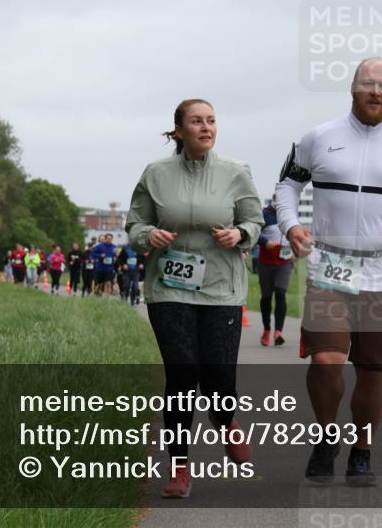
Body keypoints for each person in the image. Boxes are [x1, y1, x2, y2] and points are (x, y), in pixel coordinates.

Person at [275, 57, 382, 486]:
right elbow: (287, 186)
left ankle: (362, 450)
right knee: (326, 361)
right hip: (331, 264)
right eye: (368, 83)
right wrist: (291, 225)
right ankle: (326, 437)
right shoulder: (318, 137)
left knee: (373, 369)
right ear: (352, 88)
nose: (375, 92)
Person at [126, 98, 264, 500]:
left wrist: (239, 234)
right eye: (197, 121)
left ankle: (226, 420)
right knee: (183, 374)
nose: (206, 127)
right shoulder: (155, 174)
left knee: (218, 377)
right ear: (179, 130)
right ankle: (179, 468)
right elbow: (135, 224)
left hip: (221, 287)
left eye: (212, 121)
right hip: (169, 287)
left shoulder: (236, 172)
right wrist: (148, 235)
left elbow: (254, 220)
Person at [256, 196, 295, 346]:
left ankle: (278, 331)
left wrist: (296, 249)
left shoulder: (291, 215)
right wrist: (265, 241)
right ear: (274, 201)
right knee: (266, 297)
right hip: (266, 261)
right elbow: (254, 233)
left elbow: (295, 235)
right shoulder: (265, 214)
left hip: (284, 261)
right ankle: (266, 329)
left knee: (280, 293)